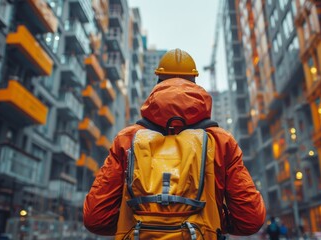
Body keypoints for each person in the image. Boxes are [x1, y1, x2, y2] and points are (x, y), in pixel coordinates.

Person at [83, 48, 266, 238]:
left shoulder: (127, 140)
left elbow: (95, 218)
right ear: (195, 84)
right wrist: (215, 219)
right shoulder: (221, 142)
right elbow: (250, 220)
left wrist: (133, 219)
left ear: (158, 83)